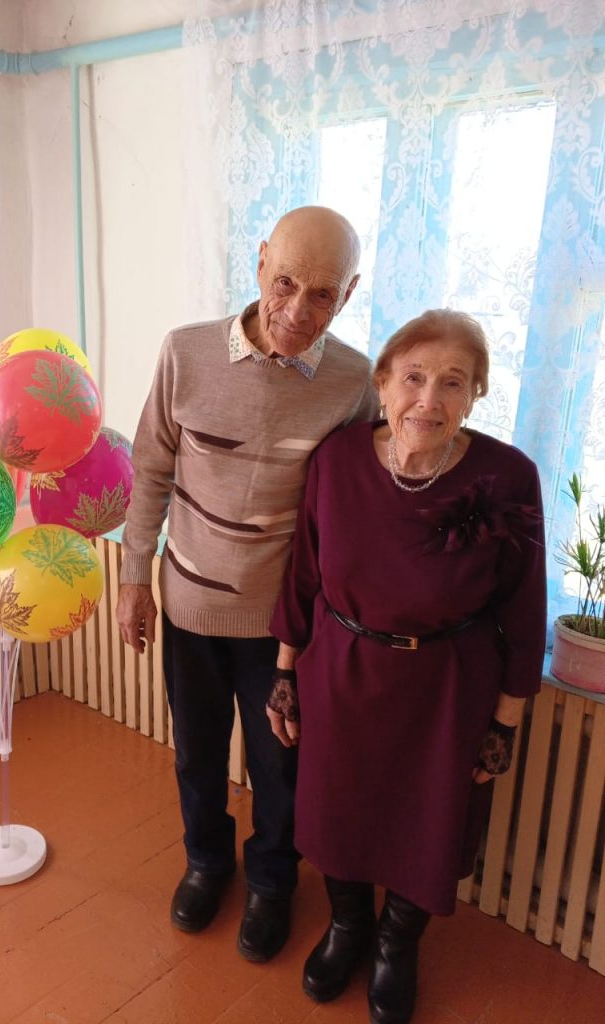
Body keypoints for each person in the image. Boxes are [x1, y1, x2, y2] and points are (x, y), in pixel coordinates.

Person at [267, 309, 546, 1023]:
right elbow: (304, 574)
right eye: (414, 377)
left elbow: (523, 608)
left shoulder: (510, 476)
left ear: (475, 396)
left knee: (431, 821)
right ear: (382, 383)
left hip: (447, 688)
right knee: (336, 809)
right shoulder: (336, 461)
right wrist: (285, 673)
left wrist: (505, 723)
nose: (429, 399)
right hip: (341, 672)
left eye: (453, 382)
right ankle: (348, 925)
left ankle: (397, 943)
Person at [116, 206, 378, 962]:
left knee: (279, 766)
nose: (298, 310)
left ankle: (271, 882)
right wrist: (134, 578)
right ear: (261, 261)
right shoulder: (186, 352)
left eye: (323, 294)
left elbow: (351, 506)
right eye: (286, 281)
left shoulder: (354, 382)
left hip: (284, 628)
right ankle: (206, 862)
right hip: (189, 604)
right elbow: (151, 469)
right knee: (196, 754)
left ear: (349, 293)